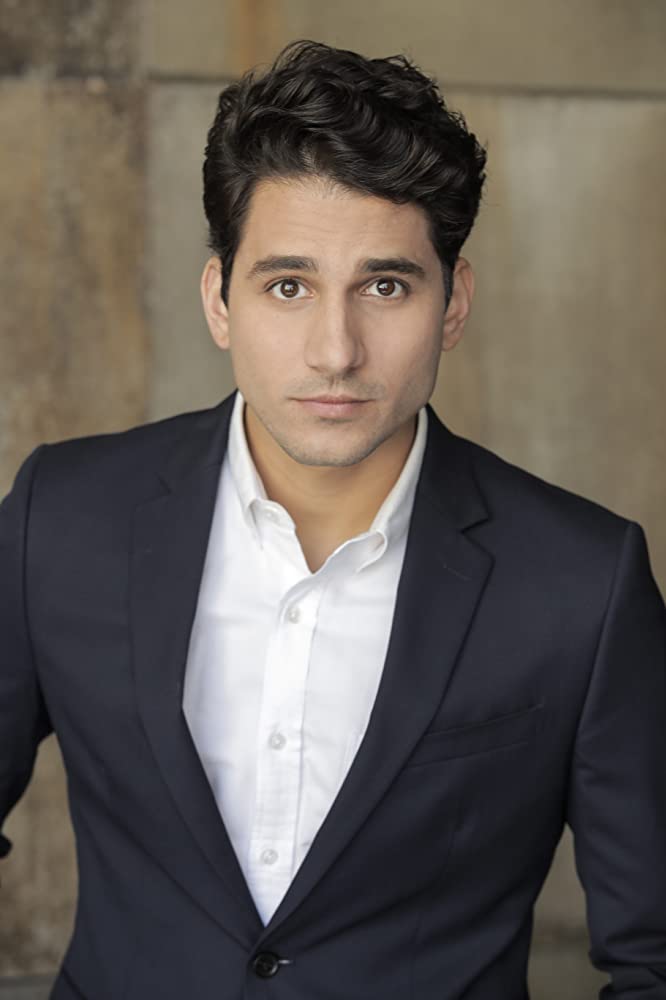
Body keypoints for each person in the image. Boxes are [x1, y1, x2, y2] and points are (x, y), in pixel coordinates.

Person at [1, 39, 664, 1000]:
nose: (336, 350)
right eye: (289, 285)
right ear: (219, 300)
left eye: (385, 286)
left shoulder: (583, 582)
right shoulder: (63, 518)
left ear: (453, 303)